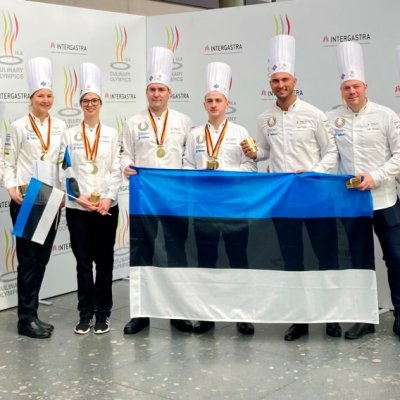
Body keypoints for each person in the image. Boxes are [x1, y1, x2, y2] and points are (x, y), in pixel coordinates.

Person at [242, 34, 339, 341]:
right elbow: (266, 152)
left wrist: (312, 173)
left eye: (285, 79)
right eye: (275, 80)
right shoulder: (264, 118)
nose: (280, 85)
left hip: (315, 196)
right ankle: (300, 319)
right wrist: (254, 153)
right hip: (284, 200)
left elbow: (331, 153)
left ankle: (331, 316)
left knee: (324, 256)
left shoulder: (314, 114)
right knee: (292, 258)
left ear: (294, 80)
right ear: (269, 84)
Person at [327, 41, 400, 341]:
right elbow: (330, 157)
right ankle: (364, 319)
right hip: (351, 203)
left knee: (396, 258)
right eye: (347, 87)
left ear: (365, 87)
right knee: (358, 263)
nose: (352, 91)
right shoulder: (332, 118)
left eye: (356, 86)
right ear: (341, 90)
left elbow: (399, 155)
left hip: (385, 200)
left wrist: (376, 177)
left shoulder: (386, 115)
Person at [121, 46, 194, 334]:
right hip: (144, 200)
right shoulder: (133, 122)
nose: (156, 94)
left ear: (169, 92)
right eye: (152, 89)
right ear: (146, 92)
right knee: (143, 254)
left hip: (175, 198)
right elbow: (125, 155)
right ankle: (141, 313)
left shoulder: (184, 122)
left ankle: (177, 312)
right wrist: (125, 166)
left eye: (161, 89)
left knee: (176, 253)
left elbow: (189, 159)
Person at [183, 61, 257, 335]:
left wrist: (226, 174)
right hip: (204, 207)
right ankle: (207, 315)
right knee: (207, 261)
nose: (214, 105)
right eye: (210, 101)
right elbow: (186, 166)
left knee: (238, 259)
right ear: (204, 104)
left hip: (234, 206)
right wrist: (200, 174)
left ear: (227, 104)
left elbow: (251, 166)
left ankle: (243, 314)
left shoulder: (240, 133)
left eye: (218, 100)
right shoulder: (194, 135)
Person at [3, 57, 66, 339]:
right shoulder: (18, 126)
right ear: (31, 97)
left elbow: (64, 163)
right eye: (41, 95)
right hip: (28, 199)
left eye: (49, 95)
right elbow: (7, 161)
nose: (46, 100)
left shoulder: (61, 126)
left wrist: (64, 191)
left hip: (51, 197)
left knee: (41, 259)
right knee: (28, 261)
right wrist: (10, 188)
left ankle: (33, 314)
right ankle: (25, 319)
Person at [60, 62, 121, 335]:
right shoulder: (69, 134)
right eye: (86, 101)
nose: (90, 105)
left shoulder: (112, 134)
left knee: (104, 263)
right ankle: (85, 314)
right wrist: (78, 196)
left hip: (106, 208)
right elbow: (65, 168)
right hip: (78, 208)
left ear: (101, 103)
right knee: (83, 264)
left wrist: (107, 198)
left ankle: (103, 313)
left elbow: (116, 169)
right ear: (80, 104)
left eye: (94, 100)